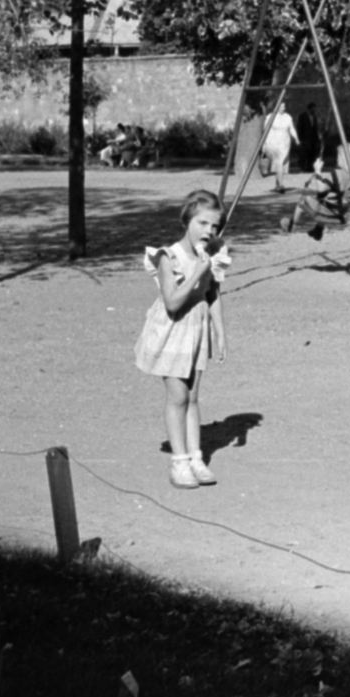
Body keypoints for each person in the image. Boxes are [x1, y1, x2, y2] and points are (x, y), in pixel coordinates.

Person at [133, 189, 232, 490]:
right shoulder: (169, 257)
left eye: (214, 226)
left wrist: (220, 332)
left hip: (198, 329)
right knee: (177, 397)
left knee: (193, 396)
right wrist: (197, 272)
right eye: (202, 223)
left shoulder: (212, 254)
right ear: (187, 220)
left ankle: (195, 456)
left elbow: (212, 293)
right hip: (173, 329)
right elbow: (173, 302)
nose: (209, 231)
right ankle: (179, 461)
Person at [282, 144, 350, 242]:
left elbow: (321, 190)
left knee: (304, 197)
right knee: (327, 198)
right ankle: (318, 230)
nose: (337, 158)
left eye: (338, 156)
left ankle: (291, 226)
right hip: (341, 212)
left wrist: (317, 170)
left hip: (328, 213)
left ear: (343, 158)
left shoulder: (337, 174)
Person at [262, 101, 300, 193]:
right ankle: (281, 185)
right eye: (281, 106)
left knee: (281, 163)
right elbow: (265, 130)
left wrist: (296, 138)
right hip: (274, 143)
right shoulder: (270, 117)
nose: (283, 108)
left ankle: (278, 185)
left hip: (285, 143)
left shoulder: (288, 117)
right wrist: (264, 143)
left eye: (284, 106)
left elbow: (291, 129)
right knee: (279, 162)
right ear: (276, 107)